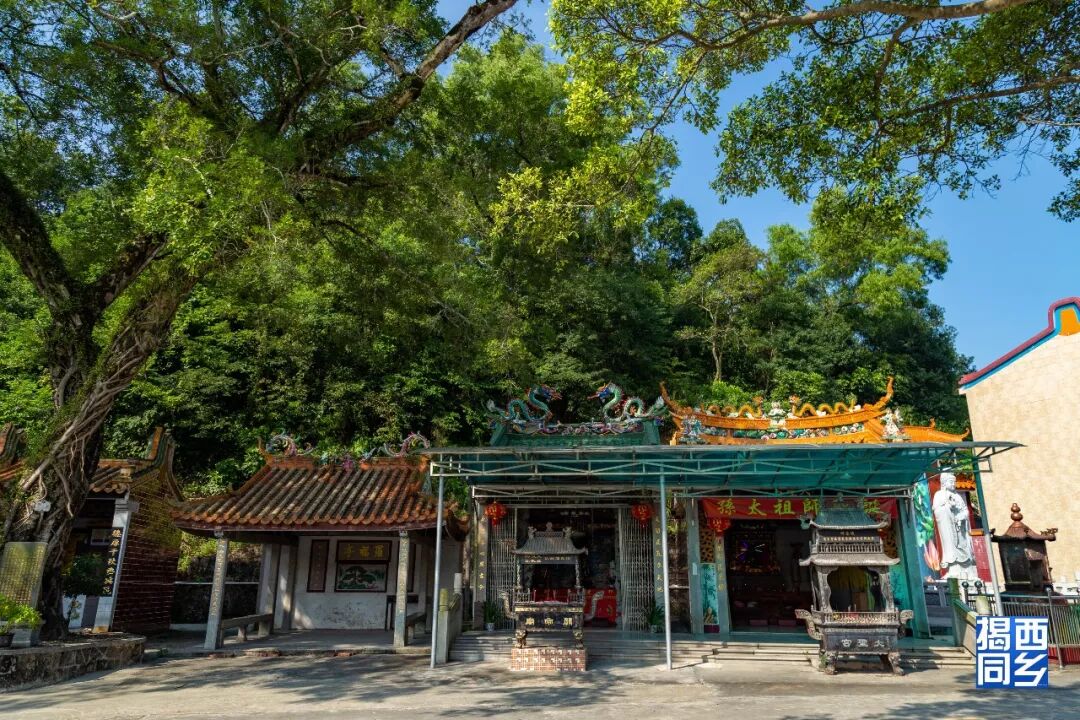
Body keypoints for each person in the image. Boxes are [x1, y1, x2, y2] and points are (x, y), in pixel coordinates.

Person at [932, 472, 979, 580]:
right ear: (944, 483)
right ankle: (953, 570)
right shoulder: (939, 495)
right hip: (948, 528)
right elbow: (937, 510)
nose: (953, 484)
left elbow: (965, 510)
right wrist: (948, 507)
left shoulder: (958, 496)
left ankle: (969, 572)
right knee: (951, 548)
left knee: (964, 547)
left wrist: (962, 516)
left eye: (954, 482)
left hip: (960, 528)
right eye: (951, 482)